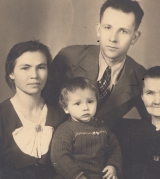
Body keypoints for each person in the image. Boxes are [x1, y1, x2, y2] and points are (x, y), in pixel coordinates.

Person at [45, 0, 148, 129]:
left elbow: (155, 120)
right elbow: (42, 102)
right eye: (107, 28)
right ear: (98, 30)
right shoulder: (68, 57)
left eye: (123, 31)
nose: (113, 38)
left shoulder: (140, 76)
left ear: (134, 37)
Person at [0, 40, 68, 179]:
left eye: (41, 67)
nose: (35, 75)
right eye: (25, 68)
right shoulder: (2, 115)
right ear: (11, 73)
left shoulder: (61, 114)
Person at [51, 77, 122, 179]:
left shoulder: (102, 128)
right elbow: (58, 157)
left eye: (90, 101)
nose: (85, 108)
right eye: (77, 104)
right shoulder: (65, 130)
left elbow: (114, 148)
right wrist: (78, 177)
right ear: (66, 108)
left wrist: (113, 165)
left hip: (99, 177)